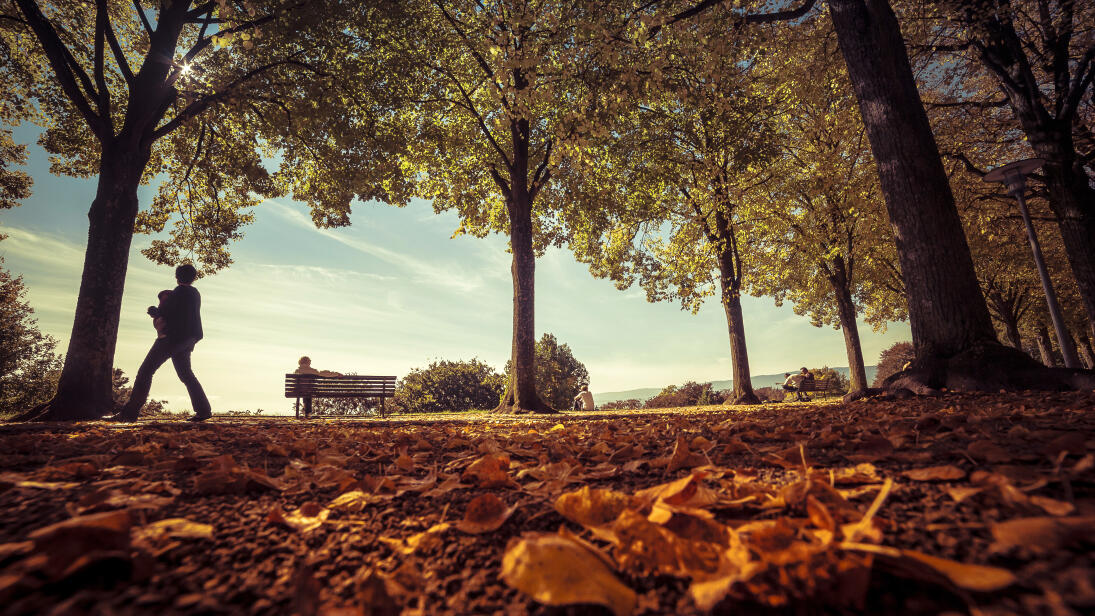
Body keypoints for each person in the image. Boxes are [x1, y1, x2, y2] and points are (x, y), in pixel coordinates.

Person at [111, 264, 211, 422]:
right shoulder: (195, 293)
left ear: (177, 277)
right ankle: (204, 410)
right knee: (186, 374)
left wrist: (153, 311)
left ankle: (129, 414)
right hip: (189, 339)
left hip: (172, 338)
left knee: (145, 371)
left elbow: (167, 313)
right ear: (194, 278)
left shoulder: (179, 292)